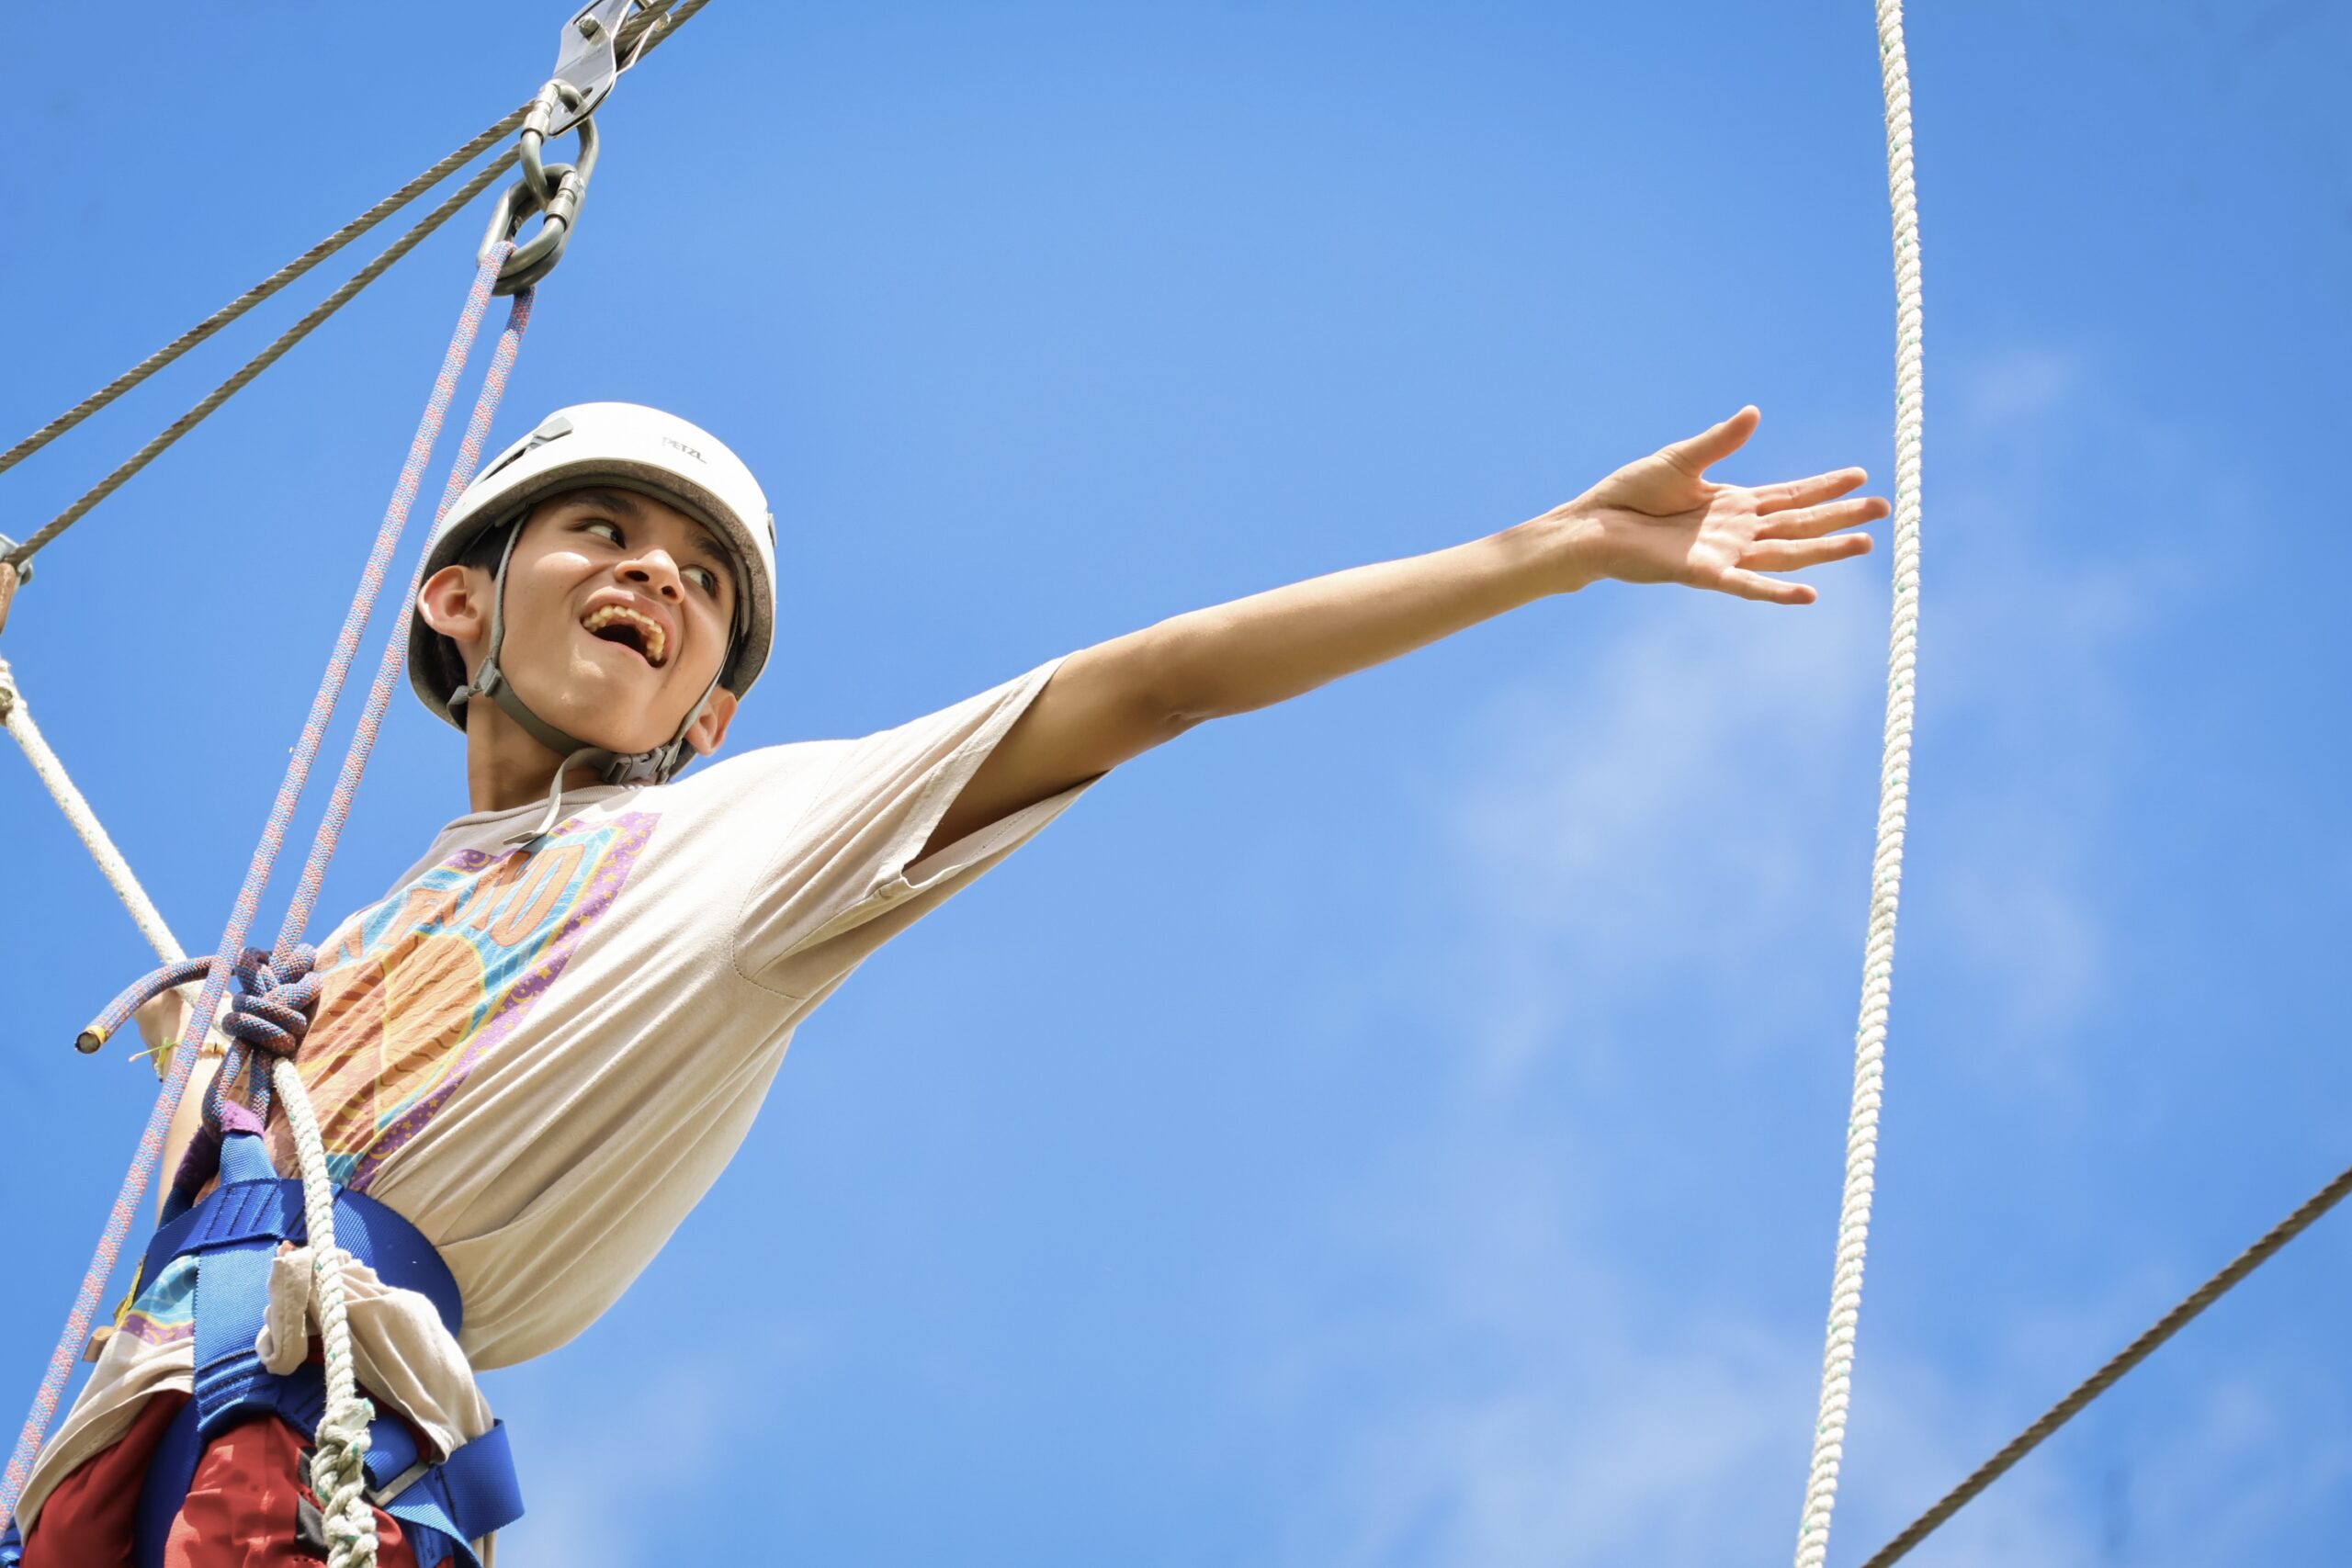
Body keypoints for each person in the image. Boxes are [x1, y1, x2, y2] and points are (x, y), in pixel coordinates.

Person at [9, 399, 1883, 1565]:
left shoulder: (740, 847)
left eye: (697, 588)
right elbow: (238, 1139)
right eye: (601, 533)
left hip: (317, 1446)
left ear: (712, 707)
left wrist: (1536, 553)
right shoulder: (342, 947)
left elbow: (1142, 686)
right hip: (135, 1430)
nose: (652, 578)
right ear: (453, 600)